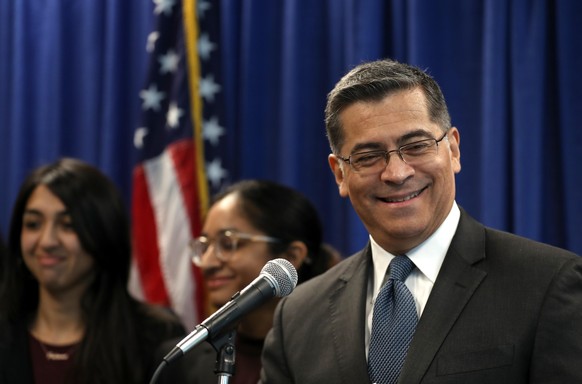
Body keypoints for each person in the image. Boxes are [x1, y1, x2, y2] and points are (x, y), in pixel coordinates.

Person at [260, 58, 582, 383]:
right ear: (340, 173)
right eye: (368, 157)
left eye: (416, 146)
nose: (397, 173)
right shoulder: (297, 315)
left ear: (453, 150)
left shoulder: (546, 285)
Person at [0, 158, 186, 384]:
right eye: (33, 224)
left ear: (103, 233)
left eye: (68, 225)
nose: (47, 241)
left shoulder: (157, 337)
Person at [157, 179, 341, 384]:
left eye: (228, 243)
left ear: (290, 256)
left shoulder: (337, 358)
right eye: (205, 246)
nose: (207, 263)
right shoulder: (181, 362)